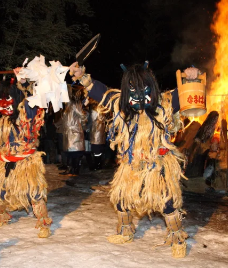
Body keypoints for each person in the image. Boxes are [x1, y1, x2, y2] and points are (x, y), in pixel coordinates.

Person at [69, 62, 188, 258]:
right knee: (121, 200)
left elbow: (185, 93)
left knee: (168, 203)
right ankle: (125, 231)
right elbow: (101, 93)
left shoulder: (164, 105)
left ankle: (177, 239)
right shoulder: (120, 106)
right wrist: (83, 77)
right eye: (132, 89)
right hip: (131, 166)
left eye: (144, 88)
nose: (138, 95)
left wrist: (191, 78)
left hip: (157, 167)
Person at [0, 70, 53, 238]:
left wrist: (24, 80)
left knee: (34, 193)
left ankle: (43, 222)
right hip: (4, 160)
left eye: (8, 98)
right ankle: (0, 217)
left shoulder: (26, 110)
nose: (3, 103)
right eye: (0, 99)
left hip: (25, 161)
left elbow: (36, 97)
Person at [59, 85, 88, 176]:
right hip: (68, 132)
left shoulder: (75, 104)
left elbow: (83, 116)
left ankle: (75, 169)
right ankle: (70, 168)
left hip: (74, 131)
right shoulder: (67, 104)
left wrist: (82, 126)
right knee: (69, 152)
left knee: (75, 152)